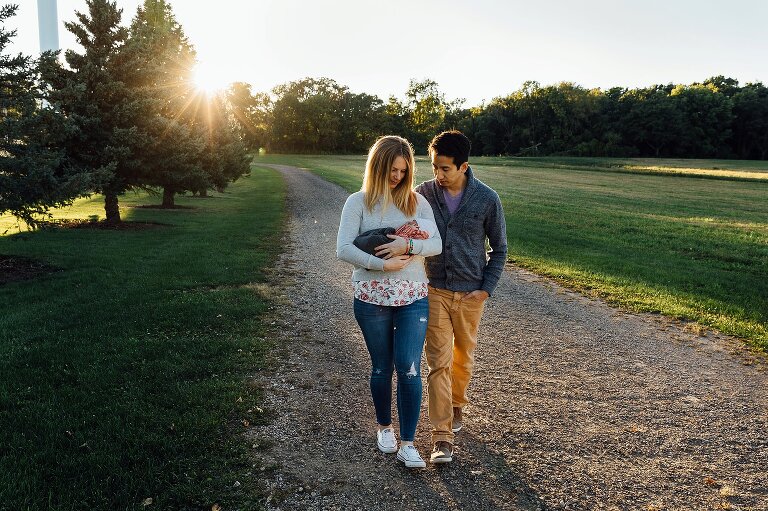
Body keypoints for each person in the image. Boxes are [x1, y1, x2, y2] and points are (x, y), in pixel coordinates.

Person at [336, 135, 443, 469]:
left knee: (408, 367)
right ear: (377, 166)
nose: (397, 176)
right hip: (371, 298)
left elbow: (437, 243)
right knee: (382, 366)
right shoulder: (358, 202)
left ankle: (409, 443)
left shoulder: (417, 203)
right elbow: (343, 249)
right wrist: (382, 264)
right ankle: (385, 427)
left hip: (413, 297)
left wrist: (407, 248)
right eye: (392, 169)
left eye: (403, 170)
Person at [415, 130, 508, 463]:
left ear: (463, 166)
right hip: (434, 289)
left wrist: (485, 289)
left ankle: (457, 405)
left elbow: (500, 249)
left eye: (445, 169)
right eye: (435, 167)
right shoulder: (423, 194)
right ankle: (441, 437)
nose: (438, 175)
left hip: (470, 294)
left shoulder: (486, 199)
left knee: (462, 358)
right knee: (438, 363)